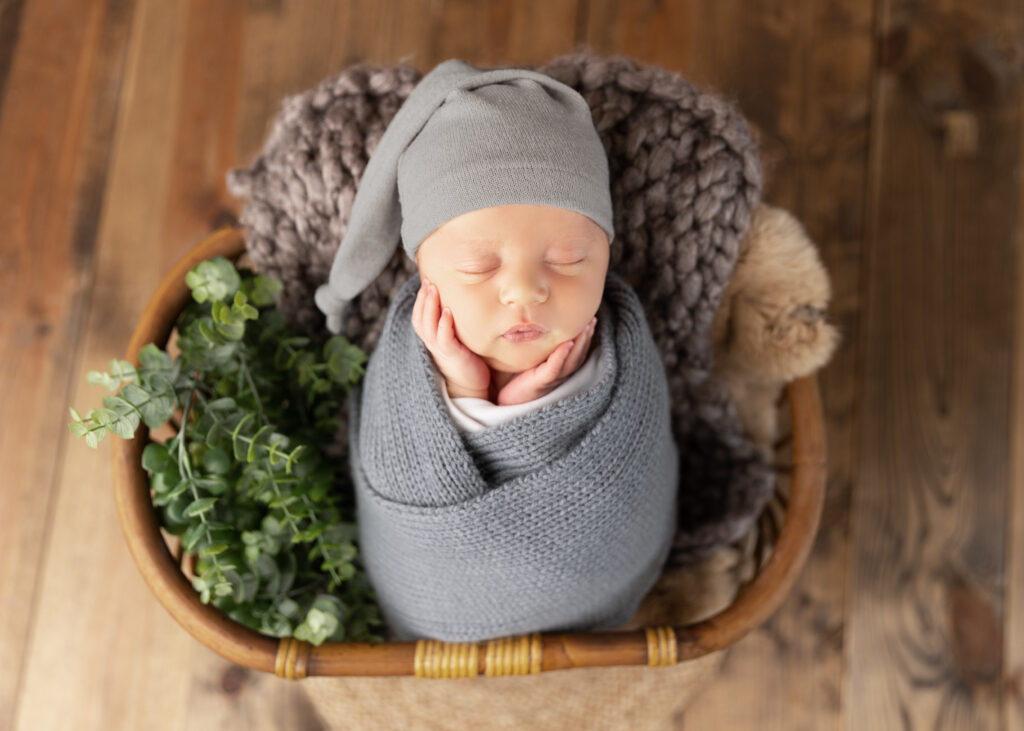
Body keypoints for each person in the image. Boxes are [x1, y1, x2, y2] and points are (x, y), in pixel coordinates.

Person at [314, 59, 678, 643]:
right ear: (424, 271)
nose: (526, 291)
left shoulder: (619, 349)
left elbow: (631, 476)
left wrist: (536, 403)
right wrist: (463, 389)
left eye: (568, 260)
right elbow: (398, 470)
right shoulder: (408, 353)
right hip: (437, 592)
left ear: (607, 257)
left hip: (598, 576)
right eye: (478, 267)